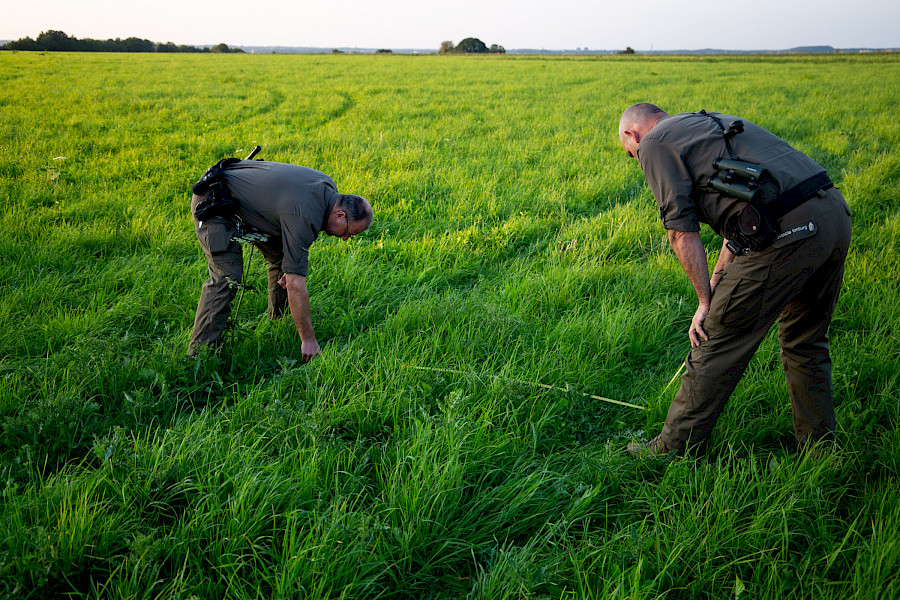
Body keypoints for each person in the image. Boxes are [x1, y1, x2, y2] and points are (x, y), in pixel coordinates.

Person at [618, 103, 852, 456]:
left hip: (789, 233)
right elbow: (747, 214)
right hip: (832, 213)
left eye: (632, 155)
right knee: (805, 340)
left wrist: (704, 304)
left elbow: (681, 232)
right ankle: (820, 451)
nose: (639, 160)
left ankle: (671, 449)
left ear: (632, 135)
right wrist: (716, 278)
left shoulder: (653, 143)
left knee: (716, 332)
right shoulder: (707, 123)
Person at [188, 159, 373, 361]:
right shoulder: (305, 213)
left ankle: (279, 319)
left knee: (282, 258)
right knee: (227, 276)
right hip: (214, 202)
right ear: (339, 215)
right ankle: (199, 355)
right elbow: (295, 285)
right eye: (348, 233)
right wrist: (309, 339)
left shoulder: (327, 189)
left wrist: (291, 270)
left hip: (240, 196)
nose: (345, 238)